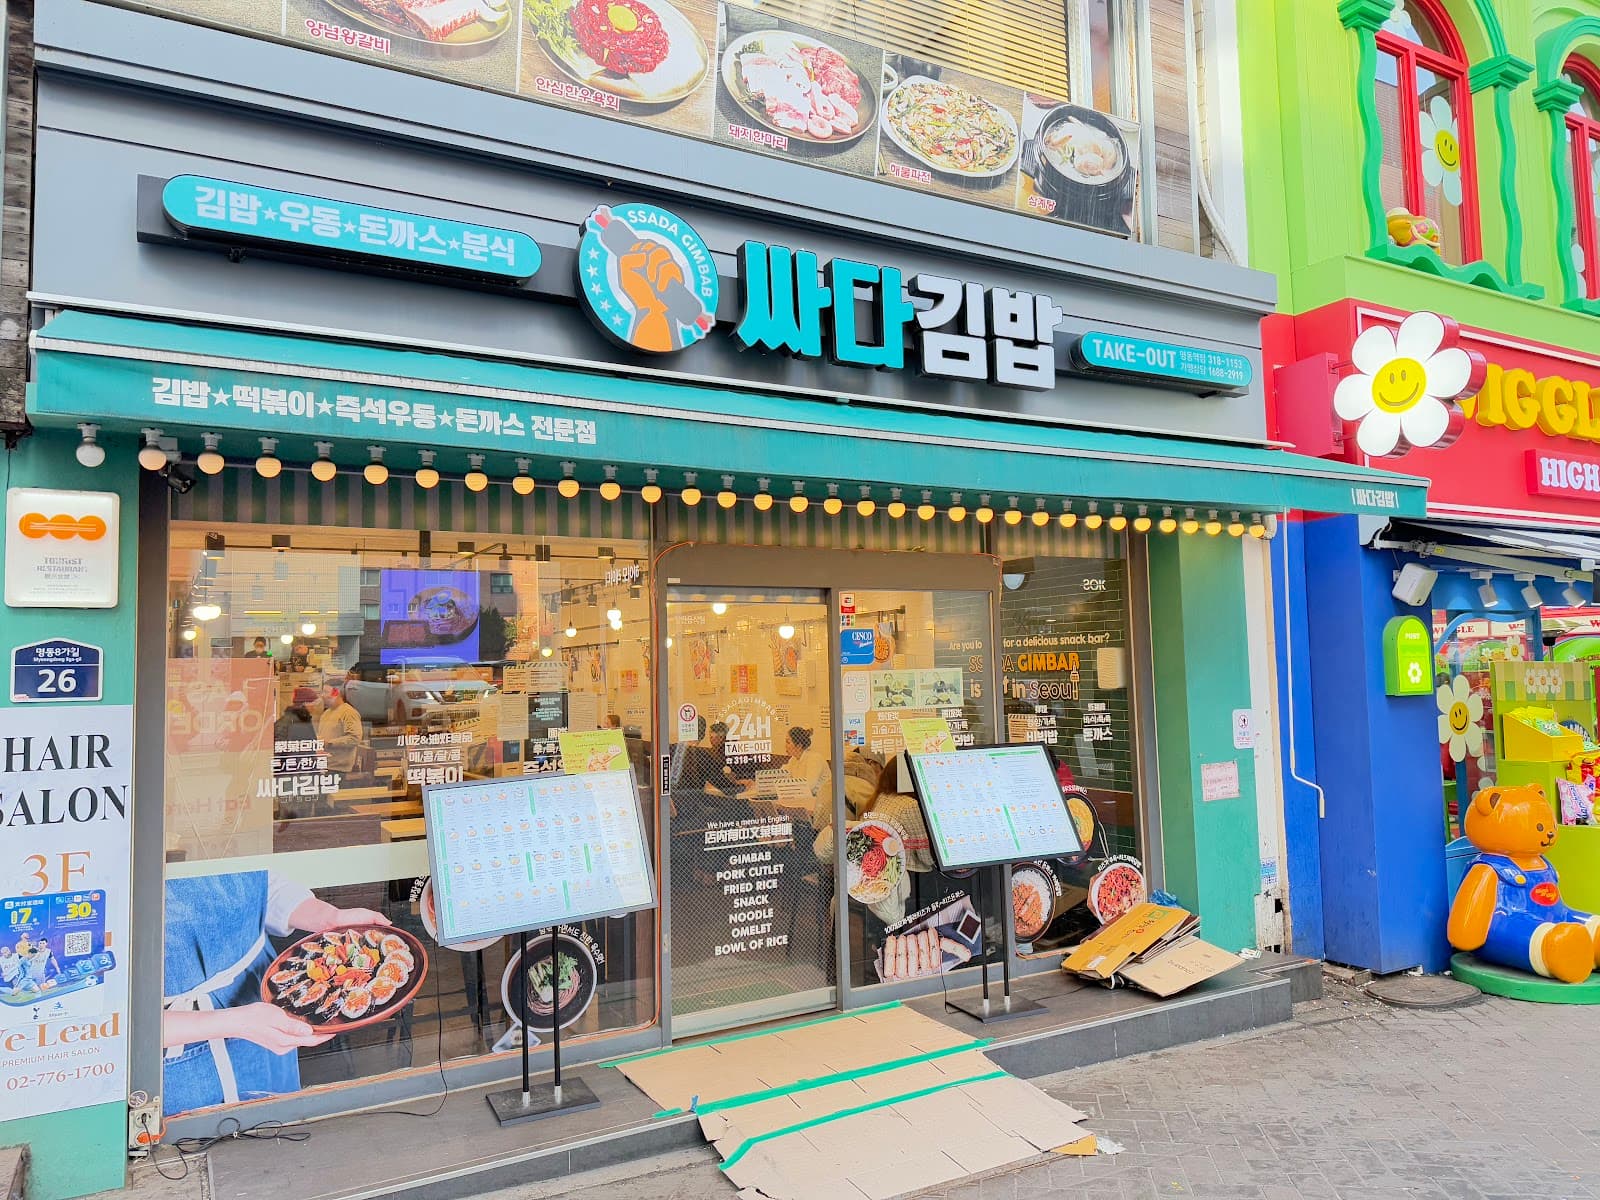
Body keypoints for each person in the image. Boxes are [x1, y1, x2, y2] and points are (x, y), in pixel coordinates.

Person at [161, 872, 388, 1117]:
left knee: (280, 1135)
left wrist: (330, 918)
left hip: (264, 1007)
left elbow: (257, 879)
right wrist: (231, 1023)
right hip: (175, 1057)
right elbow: (114, 1024)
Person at [316, 683, 365, 778]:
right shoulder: (326, 713)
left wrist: (329, 743)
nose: (322, 695)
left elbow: (354, 738)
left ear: (337, 693)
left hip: (339, 770)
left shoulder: (349, 712)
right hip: (324, 766)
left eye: (326, 692)